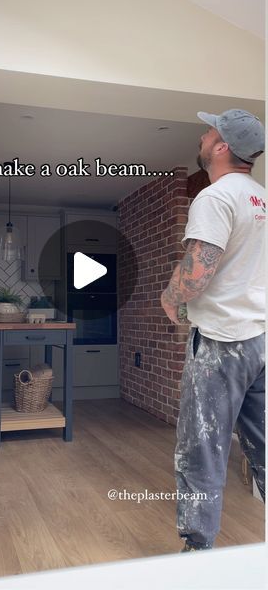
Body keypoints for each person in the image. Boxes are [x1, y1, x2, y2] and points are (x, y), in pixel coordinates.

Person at [160, 109, 265, 552]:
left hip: (223, 340)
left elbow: (198, 271)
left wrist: (170, 297)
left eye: (209, 131)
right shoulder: (261, 198)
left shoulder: (216, 196)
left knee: (201, 448)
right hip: (260, 337)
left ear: (222, 147)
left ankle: (198, 551)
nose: (202, 136)